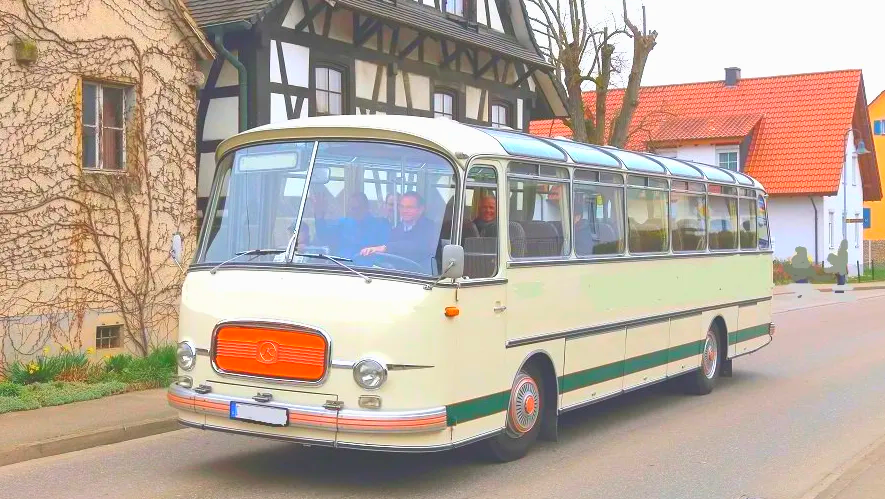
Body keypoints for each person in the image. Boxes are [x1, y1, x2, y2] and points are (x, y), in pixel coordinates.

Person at [360, 192, 439, 274]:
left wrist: (385, 248)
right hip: (398, 276)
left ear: (421, 209)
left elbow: (416, 245)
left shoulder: (430, 227)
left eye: (410, 207)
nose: (404, 211)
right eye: (402, 207)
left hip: (423, 278)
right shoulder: (397, 229)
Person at [313, 192, 389, 260]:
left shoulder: (380, 225)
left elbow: (386, 250)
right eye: (351, 208)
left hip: (370, 270)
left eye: (357, 208)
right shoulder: (343, 223)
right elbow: (323, 236)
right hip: (343, 267)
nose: (353, 211)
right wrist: (319, 215)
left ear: (366, 208)